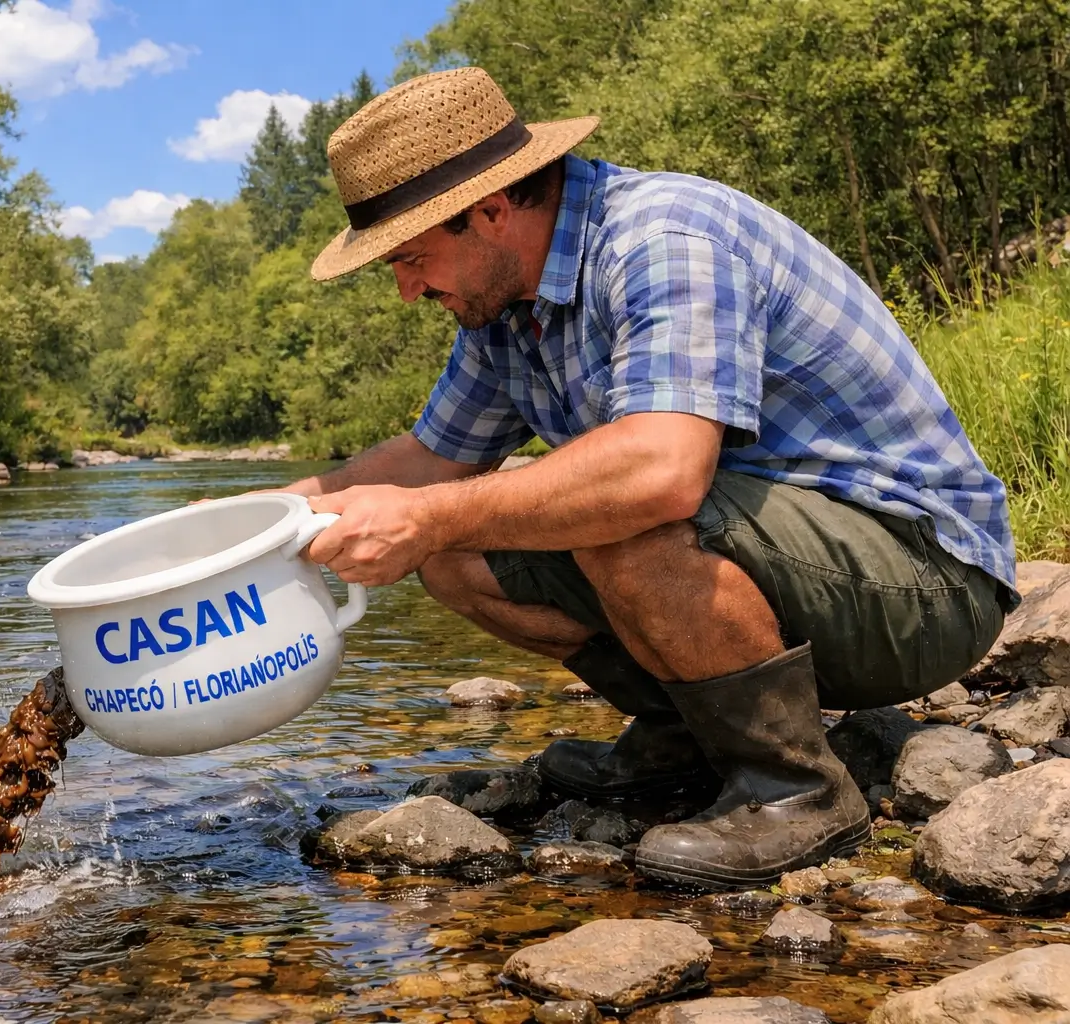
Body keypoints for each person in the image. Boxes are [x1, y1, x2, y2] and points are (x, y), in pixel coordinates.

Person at [282, 67, 1017, 889]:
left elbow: (660, 475)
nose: (406, 288)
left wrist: (430, 514)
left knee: (612, 512)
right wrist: (253, 516)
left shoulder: (663, 237)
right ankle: (688, 740)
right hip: (784, 567)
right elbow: (426, 462)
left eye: (412, 256)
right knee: (453, 555)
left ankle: (797, 787)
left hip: (926, 580)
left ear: (491, 211)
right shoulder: (503, 306)